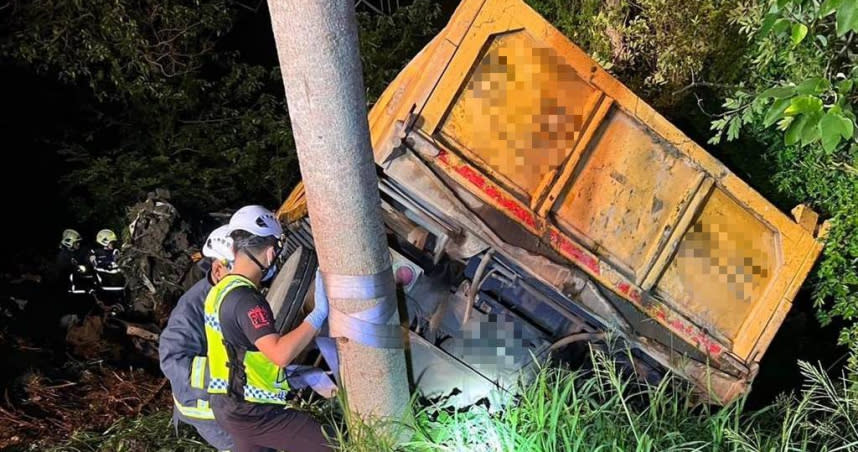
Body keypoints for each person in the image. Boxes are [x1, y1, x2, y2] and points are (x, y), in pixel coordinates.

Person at [205, 205, 332, 452]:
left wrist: (295, 375)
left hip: (228, 405)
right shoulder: (247, 299)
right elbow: (280, 354)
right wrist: (318, 315)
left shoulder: (219, 292)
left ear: (233, 248)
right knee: (331, 446)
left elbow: (238, 349)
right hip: (253, 411)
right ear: (271, 253)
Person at [159, 225, 236, 451]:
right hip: (207, 409)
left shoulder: (230, 293)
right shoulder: (193, 307)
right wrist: (234, 376)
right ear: (219, 269)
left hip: (231, 402)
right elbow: (172, 358)